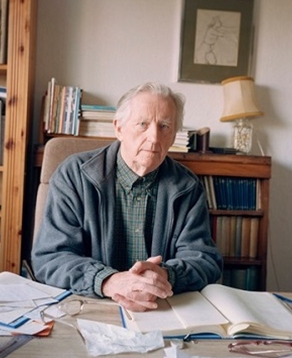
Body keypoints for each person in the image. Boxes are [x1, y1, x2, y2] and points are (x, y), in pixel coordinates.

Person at [32, 82, 223, 312]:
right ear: (119, 128)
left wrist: (165, 276)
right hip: (89, 306)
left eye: (164, 126)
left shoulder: (187, 187)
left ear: (173, 136)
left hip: (161, 308)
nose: (154, 137)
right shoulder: (73, 176)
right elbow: (51, 257)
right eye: (143, 124)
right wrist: (108, 281)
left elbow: (204, 260)